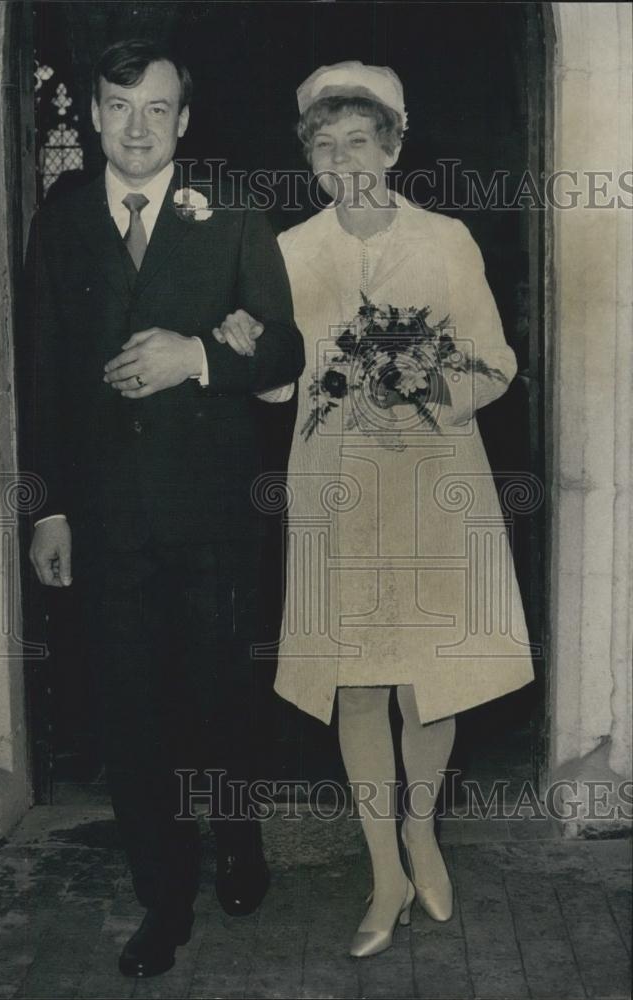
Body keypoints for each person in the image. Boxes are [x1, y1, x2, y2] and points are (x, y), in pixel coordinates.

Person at [213, 60, 535, 958]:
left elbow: (496, 362)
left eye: (361, 140)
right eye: (325, 144)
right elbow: (281, 387)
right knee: (356, 679)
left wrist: (422, 378)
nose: (344, 157)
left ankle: (421, 833)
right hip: (338, 487)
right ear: (310, 159)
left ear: (394, 145)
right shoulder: (286, 251)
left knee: (427, 678)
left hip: (434, 482)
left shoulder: (447, 240)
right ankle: (384, 873)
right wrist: (248, 350)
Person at [20, 39, 304, 978]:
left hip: (216, 515)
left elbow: (284, 350)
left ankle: (239, 835)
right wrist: (49, 510)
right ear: (95, 114)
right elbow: (44, 375)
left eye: (155, 109)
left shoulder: (231, 212)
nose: (135, 128)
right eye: (117, 107)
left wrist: (202, 358)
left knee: (220, 700)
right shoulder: (60, 218)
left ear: (184, 120)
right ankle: (163, 900)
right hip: (108, 522)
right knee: (133, 712)